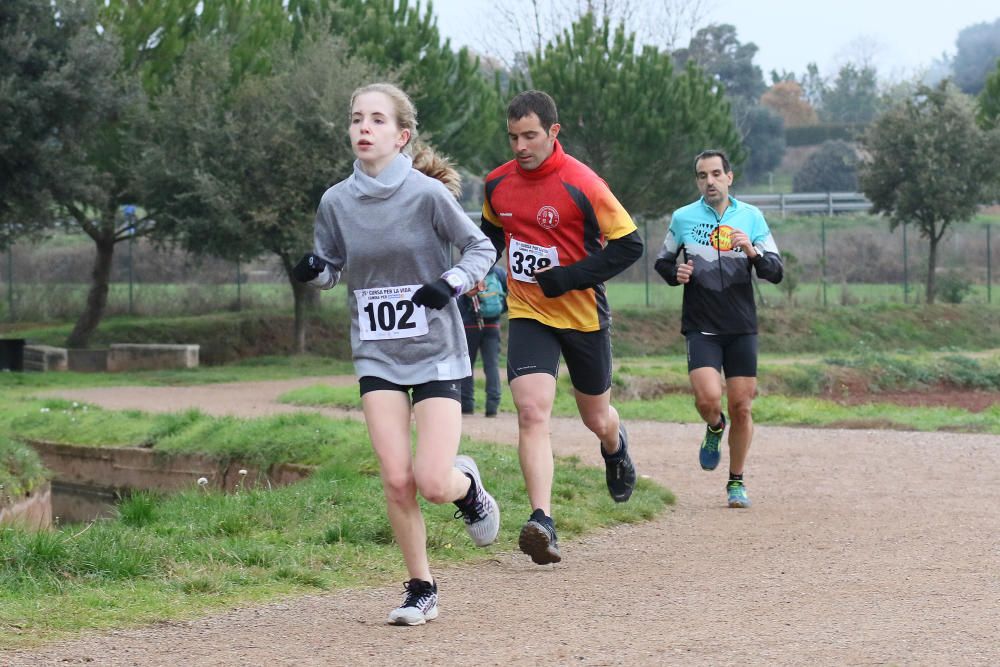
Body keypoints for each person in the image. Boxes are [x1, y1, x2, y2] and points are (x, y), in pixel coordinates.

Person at [292, 82, 500, 626]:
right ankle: (420, 587)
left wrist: (450, 282)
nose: (363, 127)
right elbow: (333, 266)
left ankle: (468, 487)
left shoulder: (428, 196)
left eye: (377, 120)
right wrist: (317, 272)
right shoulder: (336, 201)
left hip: (435, 349)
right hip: (377, 352)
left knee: (432, 481)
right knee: (396, 477)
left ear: (401, 136)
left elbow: (482, 247)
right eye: (357, 118)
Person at [480, 90, 643, 565]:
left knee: (597, 417)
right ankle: (542, 521)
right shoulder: (495, 184)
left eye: (529, 135)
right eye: (512, 137)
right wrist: (477, 269)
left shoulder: (583, 183)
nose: (519, 146)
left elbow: (628, 246)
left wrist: (570, 277)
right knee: (531, 412)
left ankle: (615, 448)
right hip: (529, 310)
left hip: (583, 315)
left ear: (553, 132)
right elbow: (490, 235)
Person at [654, 149, 784, 509]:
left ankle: (736, 481)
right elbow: (663, 261)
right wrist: (674, 274)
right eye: (701, 176)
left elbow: (776, 270)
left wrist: (753, 253)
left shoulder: (752, 218)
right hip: (701, 324)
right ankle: (713, 426)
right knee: (708, 399)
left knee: (742, 406)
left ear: (729, 177)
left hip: (741, 326)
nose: (709, 181)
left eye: (715, 174)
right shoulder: (683, 218)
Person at [457, 265, 507, 417]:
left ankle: (467, 406)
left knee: (467, 366)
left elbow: (458, 300)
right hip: (493, 324)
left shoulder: (467, 270)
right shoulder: (498, 272)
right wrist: (497, 313)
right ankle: (492, 407)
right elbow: (507, 296)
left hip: (470, 324)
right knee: (491, 365)